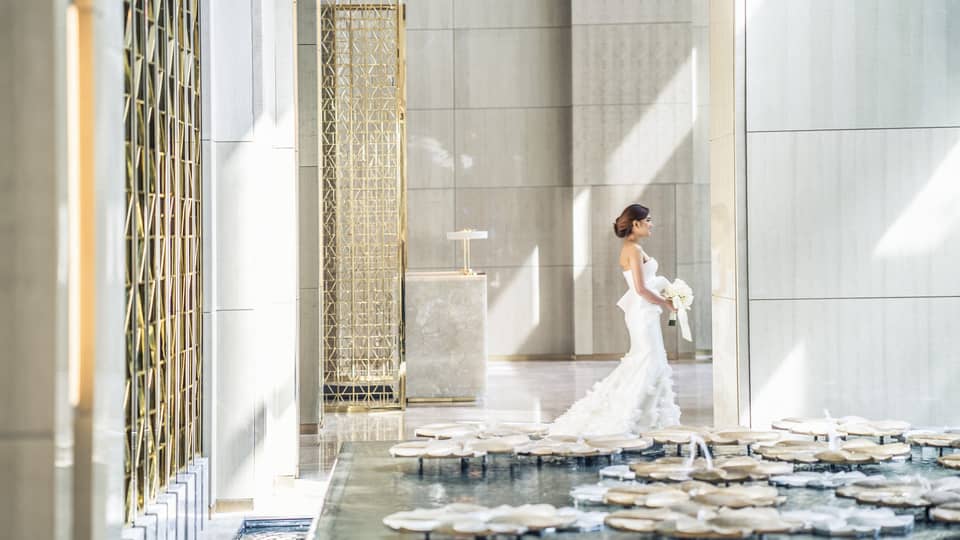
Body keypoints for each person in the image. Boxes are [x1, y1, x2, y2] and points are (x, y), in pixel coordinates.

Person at [549, 203, 681, 436]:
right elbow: (640, 289)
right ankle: (632, 419)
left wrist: (666, 290)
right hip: (642, 312)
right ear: (636, 223)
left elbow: (645, 285)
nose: (652, 224)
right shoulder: (634, 250)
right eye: (648, 220)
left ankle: (649, 419)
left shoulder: (633, 248)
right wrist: (666, 302)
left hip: (644, 311)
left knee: (650, 360)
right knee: (648, 361)